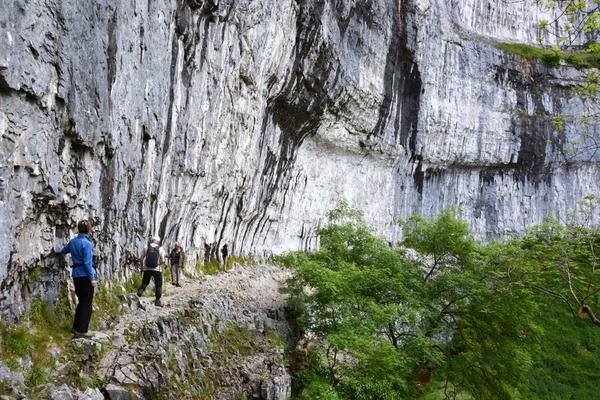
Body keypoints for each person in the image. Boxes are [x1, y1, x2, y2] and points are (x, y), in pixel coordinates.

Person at [61, 219, 96, 339]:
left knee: (81, 300)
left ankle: (76, 327)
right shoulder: (87, 244)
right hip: (85, 275)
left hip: (76, 274)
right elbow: (87, 263)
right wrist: (92, 278)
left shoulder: (73, 241)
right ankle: (81, 330)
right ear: (88, 231)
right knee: (86, 303)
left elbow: (63, 251)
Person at [137, 235, 166, 307]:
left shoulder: (146, 247)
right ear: (158, 242)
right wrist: (159, 264)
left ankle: (141, 290)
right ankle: (157, 300)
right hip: (157, 269)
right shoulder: (160, 248)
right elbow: (163, 260)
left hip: (147, 268)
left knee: (145, 282)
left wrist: (142, 269)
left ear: (152, 240)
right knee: (158, 284)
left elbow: (141, 259)